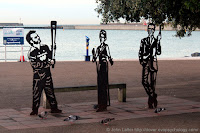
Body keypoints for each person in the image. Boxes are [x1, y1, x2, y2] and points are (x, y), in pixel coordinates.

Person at [26, 30, 62, 115]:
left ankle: (54, 108)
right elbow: (36, 65)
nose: (38, 37)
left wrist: (53, 57)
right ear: (31, 41)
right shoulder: (31, 52)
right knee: (36, 94)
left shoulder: (45, 47)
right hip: (38, 77)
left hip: (47, 75)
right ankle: (34, 110)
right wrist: (49, 63)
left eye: (37, 36)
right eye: (35, 37)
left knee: (50, 92)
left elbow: (50, 57)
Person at [138, 23, 161, 109]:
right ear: (147, 30)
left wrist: (158, 42)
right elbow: (140, 52)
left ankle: (150, 103)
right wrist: (141, 61)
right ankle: (153, 96)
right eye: (149, 29)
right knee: (144, 81)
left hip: (153, 63)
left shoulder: (156, 41)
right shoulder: (143, 40)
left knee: (152, 84)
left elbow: (158, 52)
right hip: (146, 63)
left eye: (152, 29)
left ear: (154, 30)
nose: (150, 31)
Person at [92, 30, 113, 112]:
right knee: (100, 85)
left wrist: (109, 60)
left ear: (105, 38)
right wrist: (93, 55)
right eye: (101, 37)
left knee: (104, 85)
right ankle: (100, 103)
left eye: (103, 37)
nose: (102, 39)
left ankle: (103, 104)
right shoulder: (98, 48)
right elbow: (94, 59)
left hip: (104, 66)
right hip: (99, 66)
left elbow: (109, 56)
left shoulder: (106, 46)